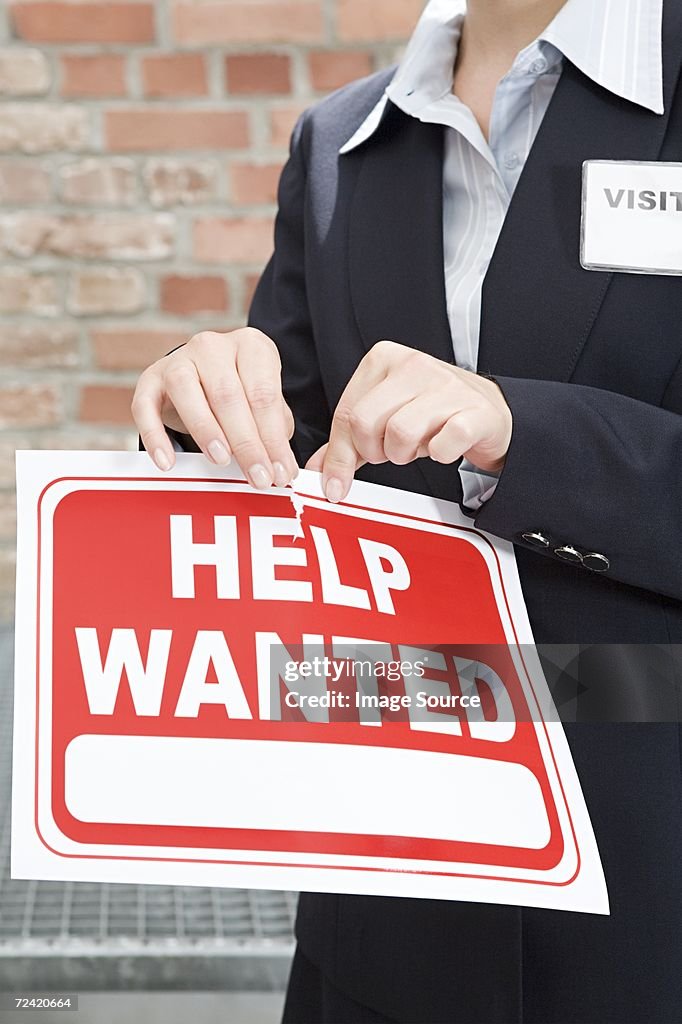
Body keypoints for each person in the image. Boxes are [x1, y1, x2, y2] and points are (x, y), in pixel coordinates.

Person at [132, 0, 682, 1020]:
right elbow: (292, 462)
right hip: (386, 886)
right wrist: (203, 402)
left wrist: (524, 430)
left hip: (645, 883)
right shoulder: (340, 139)